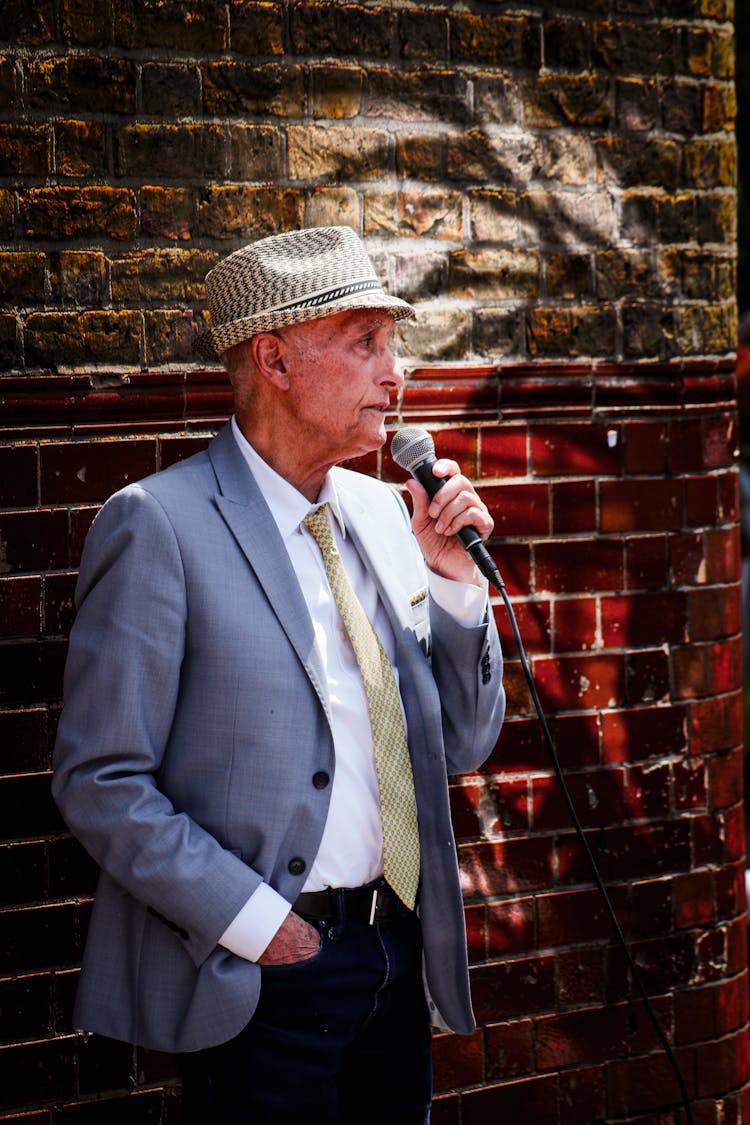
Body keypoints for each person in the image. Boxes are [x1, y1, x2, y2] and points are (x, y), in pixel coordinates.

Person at [52, 226, 505, 1124]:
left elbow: (461, 741)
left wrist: (457, 589)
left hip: (395, 956)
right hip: (262, 976)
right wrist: (267, 931)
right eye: (366, 342)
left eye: (395, 344)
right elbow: (100, 780)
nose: (397, 373)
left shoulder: (387, 515)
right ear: (275, 360)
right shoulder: (158, 525)